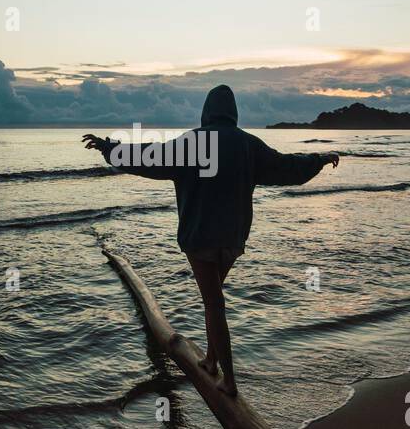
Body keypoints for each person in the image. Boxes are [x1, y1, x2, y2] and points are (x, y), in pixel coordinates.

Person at [82, 85, 339, 397]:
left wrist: (109, 147)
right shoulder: (248, 144)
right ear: (233, 112)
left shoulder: (193, 142)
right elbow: (288, 167)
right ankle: (210, 359)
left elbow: (149, 156)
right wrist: (320, 158)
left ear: (206, 111)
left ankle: (228, 379)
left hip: (201, 237)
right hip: (233, 237)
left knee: (214, 303)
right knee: (214, 299)